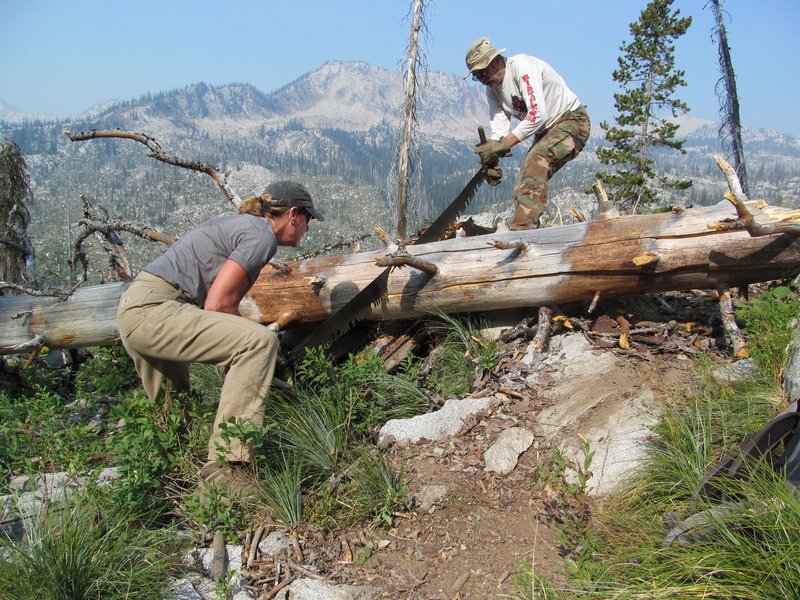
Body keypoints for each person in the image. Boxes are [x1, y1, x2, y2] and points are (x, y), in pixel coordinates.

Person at [117, 180, 323, 490]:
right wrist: (252, 360)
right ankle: (227, 474)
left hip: (136, 308)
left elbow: (218, 305)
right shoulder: (261, 236)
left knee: (174, 410)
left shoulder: (243, 225)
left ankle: (168, 489)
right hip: (157, 308)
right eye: (307, 220)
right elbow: (218, 304)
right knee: (259, 342)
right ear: (293, 215)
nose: (307, 229)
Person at [465, 37, 591, 230]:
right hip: (547, 130)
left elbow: (538, 114)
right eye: (477, 76)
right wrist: (491, 158)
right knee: (526, 175)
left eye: (483, 72)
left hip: (572, 121)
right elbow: (500, 131)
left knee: (536, 160)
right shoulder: (492, 90)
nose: (482, 79)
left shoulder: (522, 67)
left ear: (496, 60)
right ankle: (526, 228)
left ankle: (523, 230)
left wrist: (503, 145)